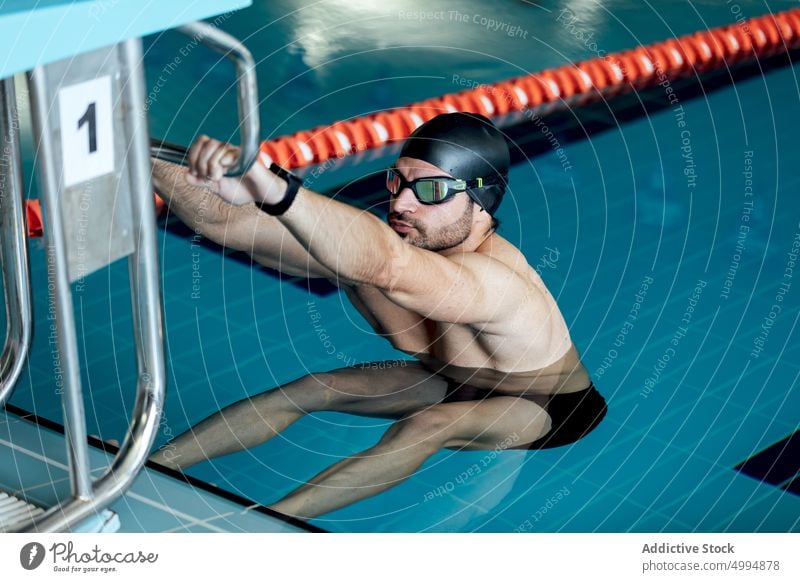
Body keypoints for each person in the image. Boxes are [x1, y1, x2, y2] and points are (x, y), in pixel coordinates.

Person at [149, 112, 608, 520]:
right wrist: (134, 148)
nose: (402, 204)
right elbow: (228, 224)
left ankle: (265, 526)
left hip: (545, 402)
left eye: (431, 190)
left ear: (481, 201)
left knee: (427, 424)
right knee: (316, 387)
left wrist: (273, 188)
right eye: (398, 182)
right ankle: (152, 466)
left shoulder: (498, 285)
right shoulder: (400, 244)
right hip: (451, 376)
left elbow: (389, 264)